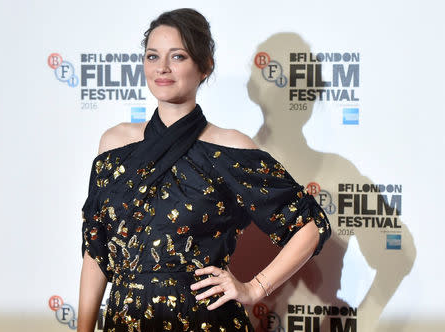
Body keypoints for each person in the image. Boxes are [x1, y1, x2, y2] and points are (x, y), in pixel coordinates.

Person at [77, 8, 331, 332]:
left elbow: (307, 226)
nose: (162, 68)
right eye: (153, 56)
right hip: (126, 320)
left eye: (178, 56)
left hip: (203, 320)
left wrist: (255, 288)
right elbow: (97, 252)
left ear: (205, 66)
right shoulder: (113, 144)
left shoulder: (229, 148)